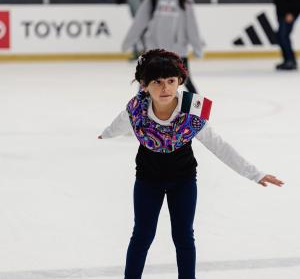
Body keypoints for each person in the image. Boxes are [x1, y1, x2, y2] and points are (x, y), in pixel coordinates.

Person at [98, 49, 284, 279]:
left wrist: (255, 174)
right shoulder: (136, 108)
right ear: (144, 85)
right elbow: (118, 124)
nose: (165, 87)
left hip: (183, 180)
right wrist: (106, 134)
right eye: (157, 81)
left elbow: (219, 145)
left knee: (184, 236)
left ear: (180, 82)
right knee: (142, 235)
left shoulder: (192, 109)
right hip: (147, 179)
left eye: (170, 81)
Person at [122, 0, 204, 93]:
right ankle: (141, 109)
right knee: (145, 81)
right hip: (154, 49)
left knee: (186, 81)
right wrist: (128, 41)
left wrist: (197, 46)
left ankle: (197, 109)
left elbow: (191, 23)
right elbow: (140, 20)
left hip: (177, 50)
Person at [273, 0, 300, 70]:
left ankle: (290, 60)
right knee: (281, 37)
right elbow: (278, 0)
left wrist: (291, 13)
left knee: (283, 36)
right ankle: (288, 60)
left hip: (289, 14)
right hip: (281, 14)